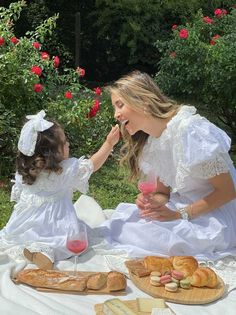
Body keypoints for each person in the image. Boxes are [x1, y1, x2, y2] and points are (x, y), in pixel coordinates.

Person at [99, 70, 236, 261]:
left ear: (142, 100)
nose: (116, 114)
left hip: (216, 214)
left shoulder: (190, 130)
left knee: (148, 235)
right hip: (183, 208)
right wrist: (153, 203)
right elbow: (163, 193)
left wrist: (180, 214)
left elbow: (228, 192)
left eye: (119, 105)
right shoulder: (155, 142)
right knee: (124, 222)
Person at [0, 110, 120, 269]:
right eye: (64, 143)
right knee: (62, 243)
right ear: (53, 153)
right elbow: (92, 165)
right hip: (57, 225)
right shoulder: (65, 171)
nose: (68, 144)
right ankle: (47, 254)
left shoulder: (26, 170)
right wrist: (109, 144)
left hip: (25, 225)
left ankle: (32, 249)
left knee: (22, 238)